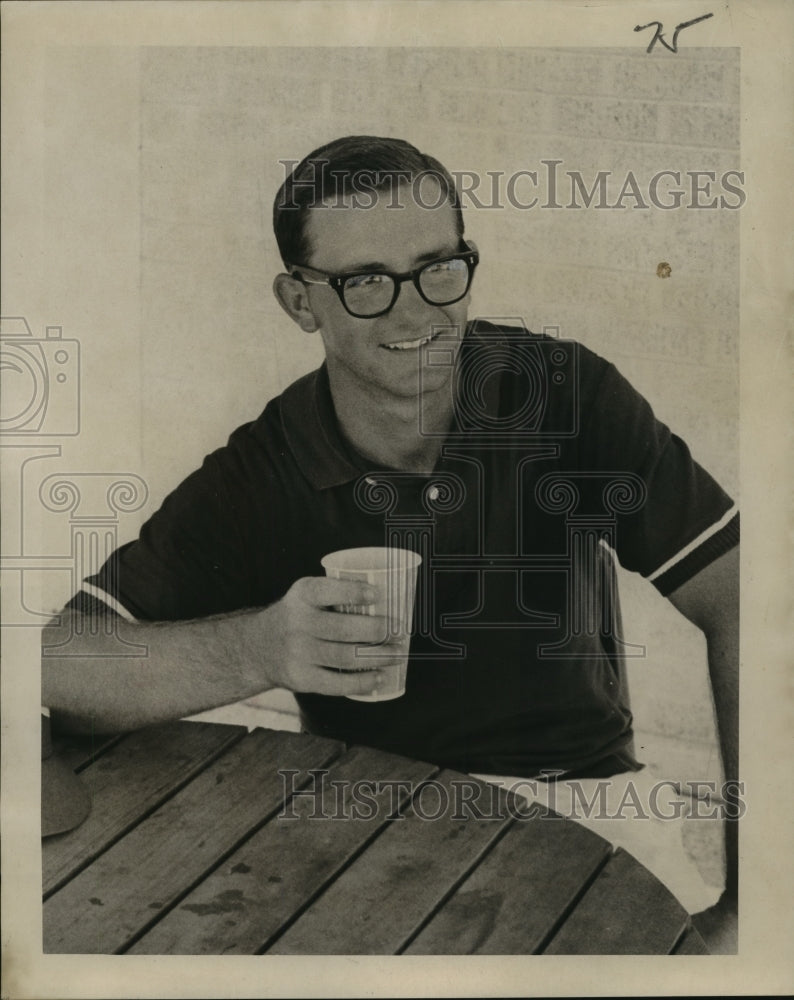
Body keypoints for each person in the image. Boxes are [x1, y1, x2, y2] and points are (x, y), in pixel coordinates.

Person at [42, 135, 739, 949]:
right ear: (300, 302)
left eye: (438, 268)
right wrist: (257, 652)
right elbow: (62, 657)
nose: (416, 313)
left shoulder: (559, 391)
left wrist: (752, 911)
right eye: (366, 282)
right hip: (364, 809)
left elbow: (751, 604)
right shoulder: (265, 464)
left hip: (582, 800)